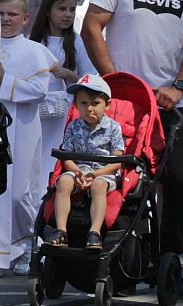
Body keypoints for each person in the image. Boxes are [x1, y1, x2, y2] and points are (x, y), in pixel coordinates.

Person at [82, 0, 183, 286]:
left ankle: (167, 259)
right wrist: (114, 83)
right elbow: (92, 27)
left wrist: (179, 85)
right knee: (118, 178)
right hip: (122, 101)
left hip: (172, 103)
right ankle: (117, 253)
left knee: (179, 183)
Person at [0, 0, 56, 277]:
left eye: (12, 14)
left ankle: (25, 245)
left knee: (19, 194)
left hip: (23, 127)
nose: (5, 19)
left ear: (25, 18)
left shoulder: (35, 52)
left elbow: (39, 91)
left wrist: (5, 79)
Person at [44, 74, 126, 250]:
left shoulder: (113, 127)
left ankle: (94, 232)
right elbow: (67, 157)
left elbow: (117, 161)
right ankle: (61, 231)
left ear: (107, 105)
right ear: (75, 105)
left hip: (104, 172)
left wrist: (94, 174)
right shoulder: (73, 126)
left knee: (98, 185)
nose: (89, 108)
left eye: (95, 103)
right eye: (83, 103)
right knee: (64, 181)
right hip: (80, 169)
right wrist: (78, 172)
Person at [29, 0, 96, 186]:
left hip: (63, 114)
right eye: (62, 9)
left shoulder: (77, 42)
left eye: (72, 10)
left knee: (54, 160)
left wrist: (69, 75)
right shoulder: (34, 42)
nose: (67, 15)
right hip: (35, 113)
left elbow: (91, 80)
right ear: (48, 11)